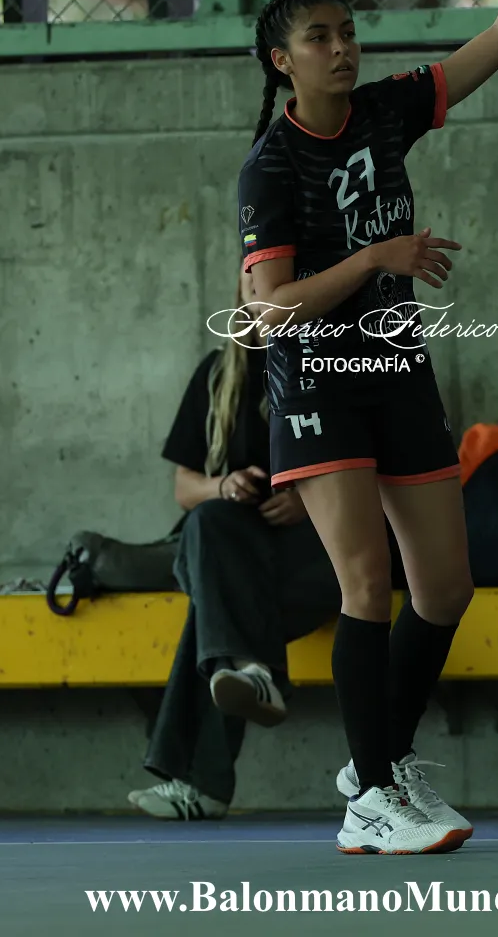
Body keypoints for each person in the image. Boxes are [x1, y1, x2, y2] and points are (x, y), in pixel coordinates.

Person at [237, 0, 498, 854]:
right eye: (318, 37)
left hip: (395, 370)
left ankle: (373, 760)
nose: (342, 49)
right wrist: (377, 256)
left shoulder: (389, 110)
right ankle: (375, 795)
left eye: (348, 32)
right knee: (367, 585)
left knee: (445, 588)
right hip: (319, 383)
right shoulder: (271, 169)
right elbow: (269, 310)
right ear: (282, 60)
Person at [130, 268, 339, 820]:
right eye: (251, 280)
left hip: (319, 557)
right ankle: (254, 674)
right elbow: (184, 489)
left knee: (216, 609)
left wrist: (309, 501)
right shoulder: (219, 373)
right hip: (237, 553)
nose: (259, 288)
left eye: (272, 279)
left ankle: (202, 779)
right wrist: (224, 486)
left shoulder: (332, 363)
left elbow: (381, 473)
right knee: (208, 522)